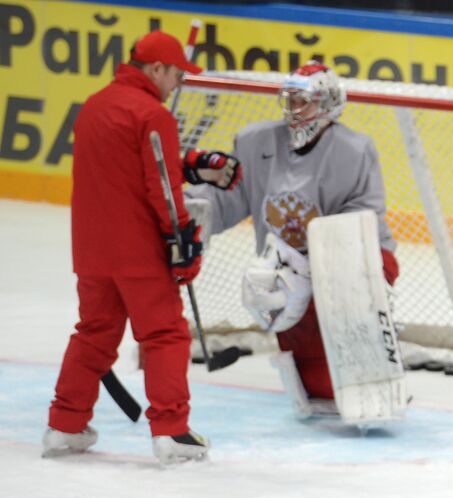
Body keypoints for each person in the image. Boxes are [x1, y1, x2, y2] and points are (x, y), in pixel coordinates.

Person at [44, 31, 240, 465]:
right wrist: (183, 240)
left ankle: (64, 425)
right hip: (138, 251)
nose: (179, 84)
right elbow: (163, 189)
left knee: (94, 334)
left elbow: (128, 168)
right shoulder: (154, 115)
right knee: (165, 334)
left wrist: (190, 164)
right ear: (155, 69)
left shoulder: (94, 106)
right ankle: (171, 431)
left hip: (92, 250)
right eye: (176, 75)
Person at [187, 62, 397, 415]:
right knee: (316, 385)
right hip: (285, 270)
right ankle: (312, 369)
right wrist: (191, 211)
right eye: (290, 100)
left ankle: (372, 361)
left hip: (349, 263)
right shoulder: (256, 142)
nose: (295, 111)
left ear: (329, 103)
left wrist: (318, 264)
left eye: (305, 102)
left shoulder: (354, 150)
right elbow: (230, 196)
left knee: (344, 354)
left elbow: (363, 219)